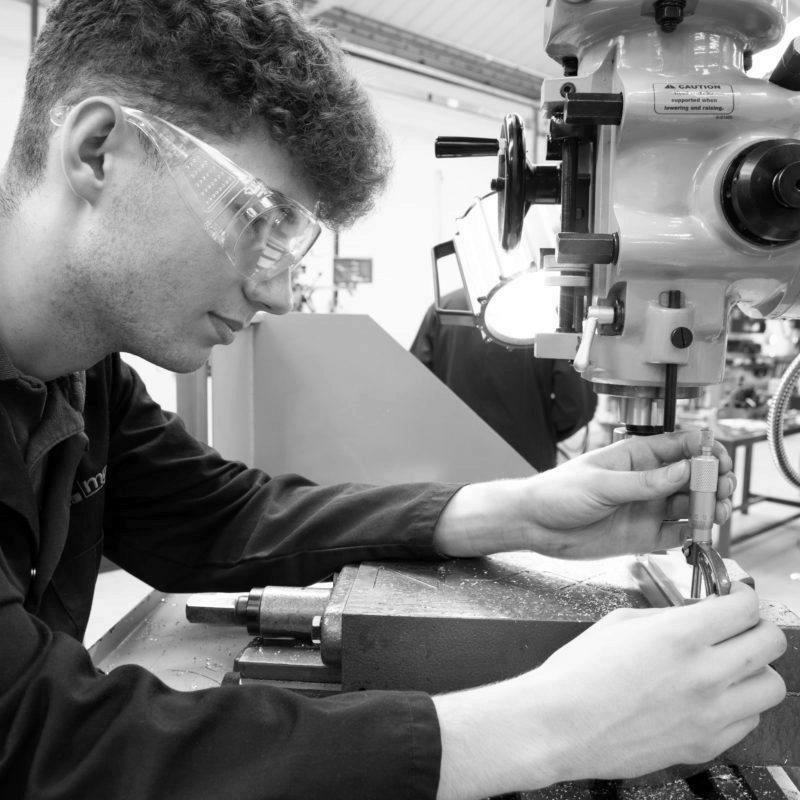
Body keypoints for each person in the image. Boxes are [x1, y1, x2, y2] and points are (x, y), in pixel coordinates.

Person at [0, 2, 785, 799]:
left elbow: (216, 518)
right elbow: (39, 740)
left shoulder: (81, 373)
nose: (275, 290)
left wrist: (518, 511)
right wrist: (549, 727)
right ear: (99, 151)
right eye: (255, 218)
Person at [411, 288, 598, 471]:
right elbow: (576, 405)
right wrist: (538, 433)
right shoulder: (552, 310)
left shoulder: (444, 308)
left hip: (453, 469)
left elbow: (417, 392)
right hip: (525, 471)